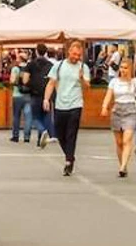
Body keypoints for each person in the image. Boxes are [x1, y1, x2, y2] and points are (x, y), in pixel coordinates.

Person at [43, 39, 91, 176]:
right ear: (69, 51)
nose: (76, 57)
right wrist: (46, 99)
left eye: (79, 55)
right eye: (74, 54)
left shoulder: (83, 67)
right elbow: (51, 83)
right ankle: (70, 156)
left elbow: (87, 87)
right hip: (60, 104)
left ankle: (68, 161)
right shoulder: (58, 66)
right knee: (60, 133)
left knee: (71, 134)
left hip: (75, 104)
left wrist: (82, 79)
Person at [100, 60, 136, 177]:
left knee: (126, 140)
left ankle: (123, 166)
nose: (123, 70)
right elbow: (108, 95)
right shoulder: (114, 82)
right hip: (117, 110)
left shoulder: (135, 82)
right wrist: (104, 107)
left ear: (130, 69)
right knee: (119, 142)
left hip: (130, 110)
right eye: (121, 67)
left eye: (125, 68)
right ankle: (123, 166)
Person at [22, 44, 56, 147]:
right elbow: (53, 80)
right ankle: (44, 138)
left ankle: (42, 130)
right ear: (46, 52)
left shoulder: (31, 64)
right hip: (47, 94)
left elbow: (25, 80)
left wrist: (30, 84)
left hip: (35, 94)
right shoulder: (50, 65)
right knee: (46, 116)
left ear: (36, 51)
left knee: (35, 117)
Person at [9, 53, 31, 143]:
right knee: (28, 117)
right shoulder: (30, 68)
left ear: (20, 59)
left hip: (17, 95)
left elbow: (12, 81)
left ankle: (15, 136)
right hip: (28, 95)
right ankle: (26, 137)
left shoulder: (15, 69)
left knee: (16, 116)